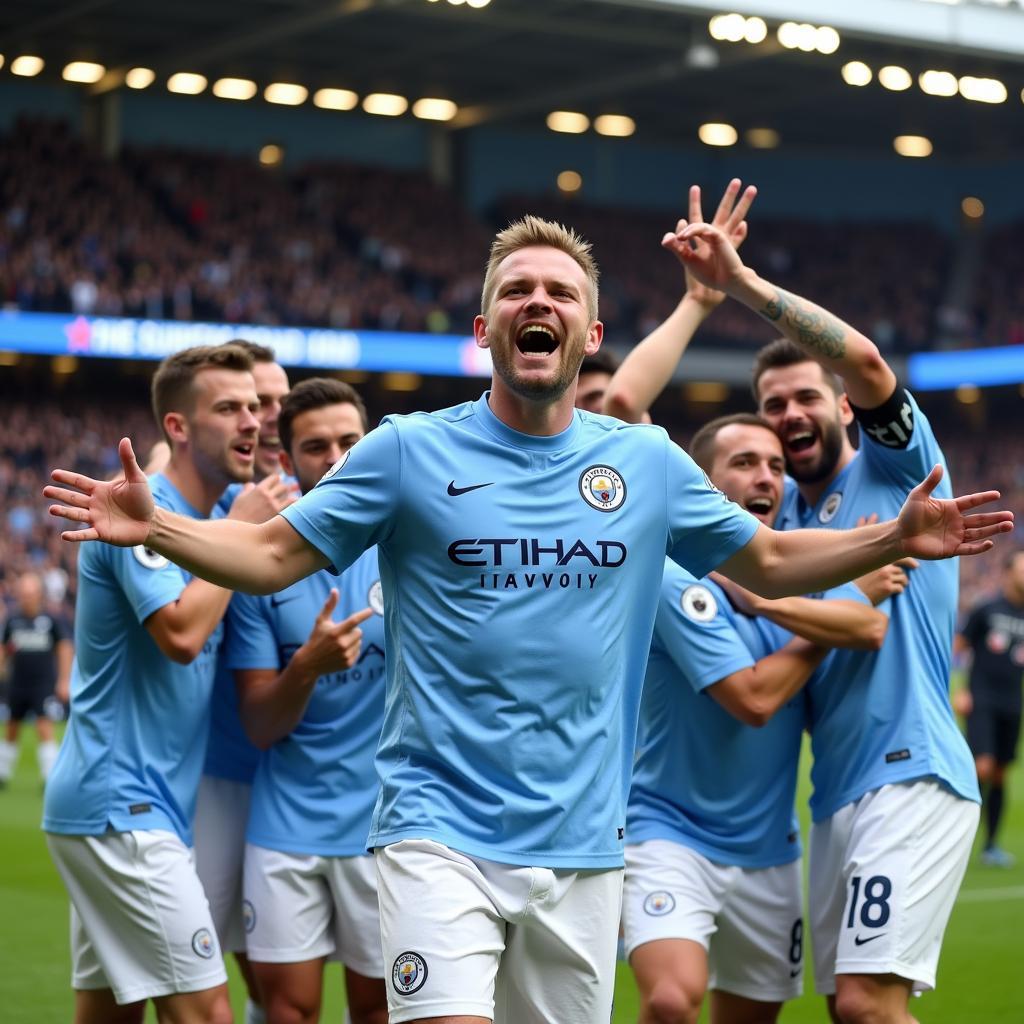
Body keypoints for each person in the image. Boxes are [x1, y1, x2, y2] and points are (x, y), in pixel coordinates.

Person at [45, 217, 1012, 1024]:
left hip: (586, 848)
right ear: (485, 328)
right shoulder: (406, 453)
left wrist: (891, 539)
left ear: (590, 335)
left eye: (560, 292)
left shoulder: (645, 464)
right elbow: (268, 556)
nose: (537, 303)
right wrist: (162, 527)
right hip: (437, 828)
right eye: (516, 291)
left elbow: (766, 559)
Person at [658, 195, 986, 1023]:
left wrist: (739, 285)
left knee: (868, 1007)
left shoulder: (891, 468)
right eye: (771, 406)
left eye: (804, 396)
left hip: (909, 768)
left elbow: (869, 362)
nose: (789, 416)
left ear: (840, 408)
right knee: (851, 1009)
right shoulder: (787, 532)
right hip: (832, 794)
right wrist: (757, 586)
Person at [625, 412, 894, 1024]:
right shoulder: (675, 574)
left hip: (771, 849)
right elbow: (753, 699)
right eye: (744, 463)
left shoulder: (795, 581)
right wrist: (840, 605)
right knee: (671, 1000)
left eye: (775, 465)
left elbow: (871, 627)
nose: (766, 477)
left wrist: (801, 599)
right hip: (669, 832)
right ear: (704, 482)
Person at [41, 344, 274, 1024]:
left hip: (138, 811)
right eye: (228, 408)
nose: (251, 422)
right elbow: (179, 634)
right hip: (123, 809)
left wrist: (239, 521)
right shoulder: (141, 514)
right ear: (177, 428)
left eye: (255, 407)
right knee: (206, 1013)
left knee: (109, 1015)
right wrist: (238, 532)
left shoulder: (227, 506)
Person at [227, 378, 387, 1024]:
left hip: (385, 827)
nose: (336, 457)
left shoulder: (409, 552)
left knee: (380, 1009)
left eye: (350, 441)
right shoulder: (259, 568)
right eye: (316, 446)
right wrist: (306, 669)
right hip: (287, 825)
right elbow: (260, 723)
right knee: (287, 1010)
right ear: (287, 461)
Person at [194, 340, 293, 1024]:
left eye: (281, 400)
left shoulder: (316, 488)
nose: (271, 415)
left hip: (308, 773)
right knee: (227, 961)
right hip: (221, 772)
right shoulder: (213, 507)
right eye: (259, 402)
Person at [955, 549, 1024, 867]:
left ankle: (991, 845)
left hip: (1012, 703)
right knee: (981, 767)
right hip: (981, 699)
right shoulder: (987, 609)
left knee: (998, 774)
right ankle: (956, 836)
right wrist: (960, 691)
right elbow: (957, 648)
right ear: (1008, 572)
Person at [0, 570, 73, 787]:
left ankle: (51, 776)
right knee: (11, 727)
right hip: (17, 683)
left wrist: (64, 680)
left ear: (39, 594)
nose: (26, 597)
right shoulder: (13, 619)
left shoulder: (51, 620)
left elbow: (65, 648)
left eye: (30, 593)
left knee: (44, 727)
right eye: (23, 592)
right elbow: (4, 649)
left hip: (43, 683)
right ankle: (2, 774)